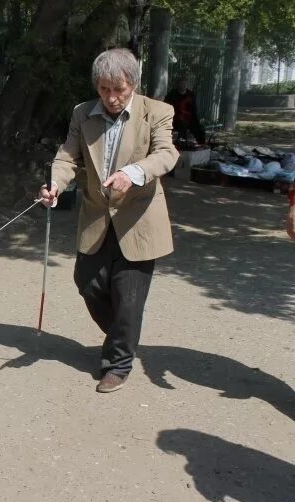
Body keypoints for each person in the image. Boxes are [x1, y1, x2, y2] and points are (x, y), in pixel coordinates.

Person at [40, 48, 180, 393]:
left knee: (128, 297)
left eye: (119, 89)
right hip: (96, 215)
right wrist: (56, 184)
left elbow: (166, 154)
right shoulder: (82, 113)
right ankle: (123, 337)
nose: (112, 97)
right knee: (87, 282)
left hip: (139, 218)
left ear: (133, 83)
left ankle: (118, 364)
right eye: (104, 89)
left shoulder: (157, 112)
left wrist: (133, 173)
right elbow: (67, 156)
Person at [164, 76, 206, 145]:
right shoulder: (171, 95)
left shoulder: (191, 95)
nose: (183, 85)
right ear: (178, 84)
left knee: (200, 129)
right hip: (175, 119)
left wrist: (197, 121)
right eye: (181, 83)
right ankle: (182, 145)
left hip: (189, 119)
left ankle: (202, 145)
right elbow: (166, 107)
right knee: (182, 126)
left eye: (184, 84)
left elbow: (194, 110)